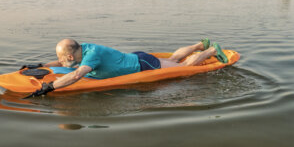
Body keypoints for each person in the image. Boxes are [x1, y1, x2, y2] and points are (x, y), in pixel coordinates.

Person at [25, 38, 228, 97]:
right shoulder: (80, 49)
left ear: (70, 54)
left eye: (60, 58)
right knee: (174, 59)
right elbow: (64, 63)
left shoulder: (90, 57)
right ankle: (200, 45)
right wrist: (42, 65)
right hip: (136, 58)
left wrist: (50, 88)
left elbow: (77, 73)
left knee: (181, 66)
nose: (59, 61)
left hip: (141, 64)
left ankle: (210, 51)